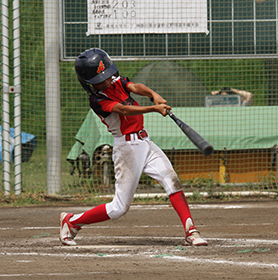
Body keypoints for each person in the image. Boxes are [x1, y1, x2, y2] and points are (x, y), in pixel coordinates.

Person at [59, 48, 208, 247]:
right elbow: (123, 109)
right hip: (126, 149)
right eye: (101, 78)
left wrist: (153, 95)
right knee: (119, 208)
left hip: (145, 142)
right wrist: (154, 108)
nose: (108, 79)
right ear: (90, 83)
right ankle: (72, 221)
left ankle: (191, 230)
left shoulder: (116, 82)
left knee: (172, 181)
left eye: (107, 75)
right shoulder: (97, 100)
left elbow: (136, 86)